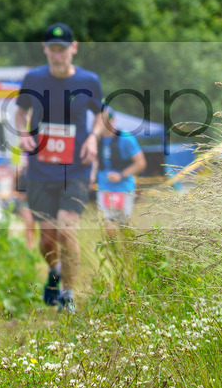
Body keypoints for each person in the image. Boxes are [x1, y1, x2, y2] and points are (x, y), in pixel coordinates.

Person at [15, 23, 106, 313]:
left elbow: (101, 116)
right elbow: (21, 112)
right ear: (45, 50)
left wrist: (93, 138)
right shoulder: (33, 78)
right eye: (53, 50)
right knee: (47, 239)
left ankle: (68, 294)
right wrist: (23, 133)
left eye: (62, 50)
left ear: (73, 49)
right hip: (40, 170)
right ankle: (55, 270)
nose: (58, 55)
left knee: (67, 230)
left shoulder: (89, 80)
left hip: (76, 168)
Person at [92, 111, 147, 238]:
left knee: (123, 225)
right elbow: (95, 161)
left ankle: (126, 248)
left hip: (123, 188)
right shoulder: (96, 139)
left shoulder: (125, 138)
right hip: (104, 188)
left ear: (113, 120)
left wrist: (121, 175)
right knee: (108, 224)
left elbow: (140, 163)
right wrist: (91, 177)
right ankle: (112, 248)